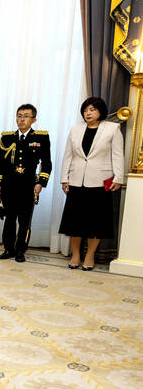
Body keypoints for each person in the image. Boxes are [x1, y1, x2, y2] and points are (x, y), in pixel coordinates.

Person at [58, 96, 124, 270]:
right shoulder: (75, 130)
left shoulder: (113, 129)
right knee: (74, 223)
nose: (88, 113)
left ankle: (89, 256)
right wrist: (64, 178)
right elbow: (68, 155)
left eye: (92, 109)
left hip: (101, 182)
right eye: (86, 110)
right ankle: (76, 255)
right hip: (76, 180)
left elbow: (117, 155)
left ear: (100, 111)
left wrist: (118, 177)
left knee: (96, 222)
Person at [0, 104, 52, 263]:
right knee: (9, 219)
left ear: (33, 119)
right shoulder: (6, 138)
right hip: (9, 184)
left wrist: (41, 182)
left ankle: (20, 251)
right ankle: (8, 249)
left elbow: (46, 162)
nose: (21, 119)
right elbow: (1, 163)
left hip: (28, 185)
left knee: (25, 220)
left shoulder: (41, 137)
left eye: (26, 116)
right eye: (19, 115)